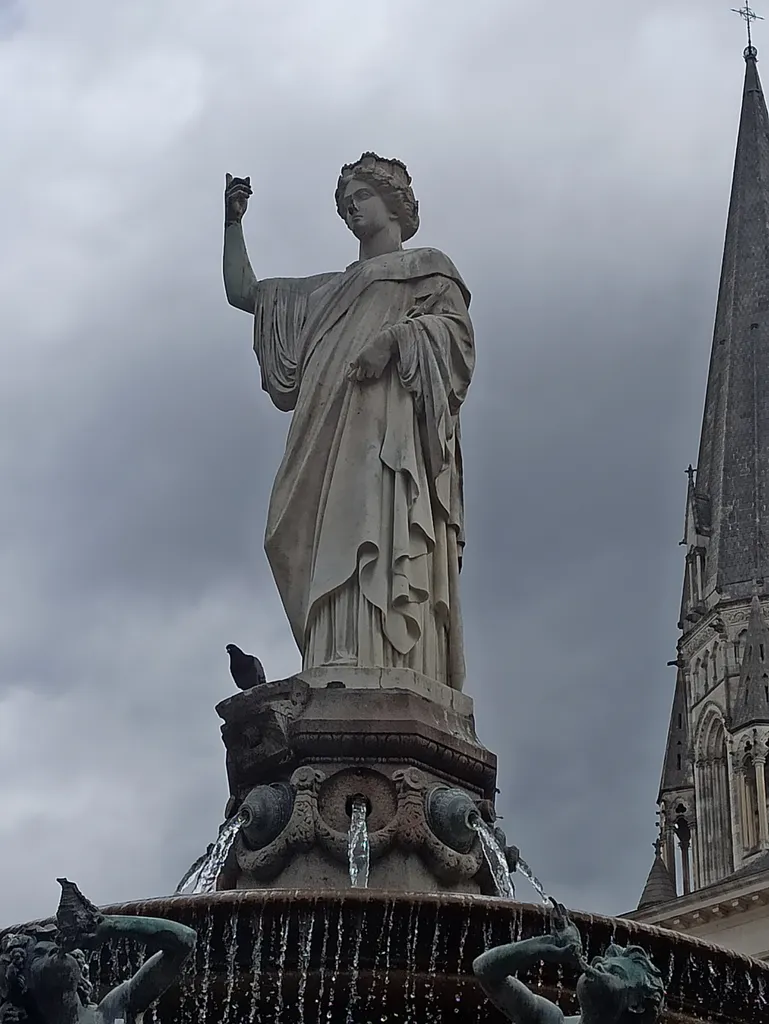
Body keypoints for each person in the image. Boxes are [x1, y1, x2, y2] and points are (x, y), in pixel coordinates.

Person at [223, 153, 475, 690]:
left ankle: (393, 660)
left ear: (393, 204)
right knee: (315, 534)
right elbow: (245, 292)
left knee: (378, 526)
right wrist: (232, 222)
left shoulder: (428, 271)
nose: (350, 211)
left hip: (389, 433)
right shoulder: (327, 291)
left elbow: (457, 345)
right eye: (343, 204)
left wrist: (396, 340)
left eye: (360, 197)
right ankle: (335, 655)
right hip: (327, 437)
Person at [0, 880, 196, 1024]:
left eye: (54, 944)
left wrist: (109, 925)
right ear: (23, 982)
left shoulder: (116, 1009)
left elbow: (185, 941)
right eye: (40, 953)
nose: (55, 949)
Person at [472, 904, 664, 1024]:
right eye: (601, 963)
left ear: (636, 1005)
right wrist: (547, 945)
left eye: (615, 972)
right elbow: (484, 970)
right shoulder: (551, 1019)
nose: (597, 966)